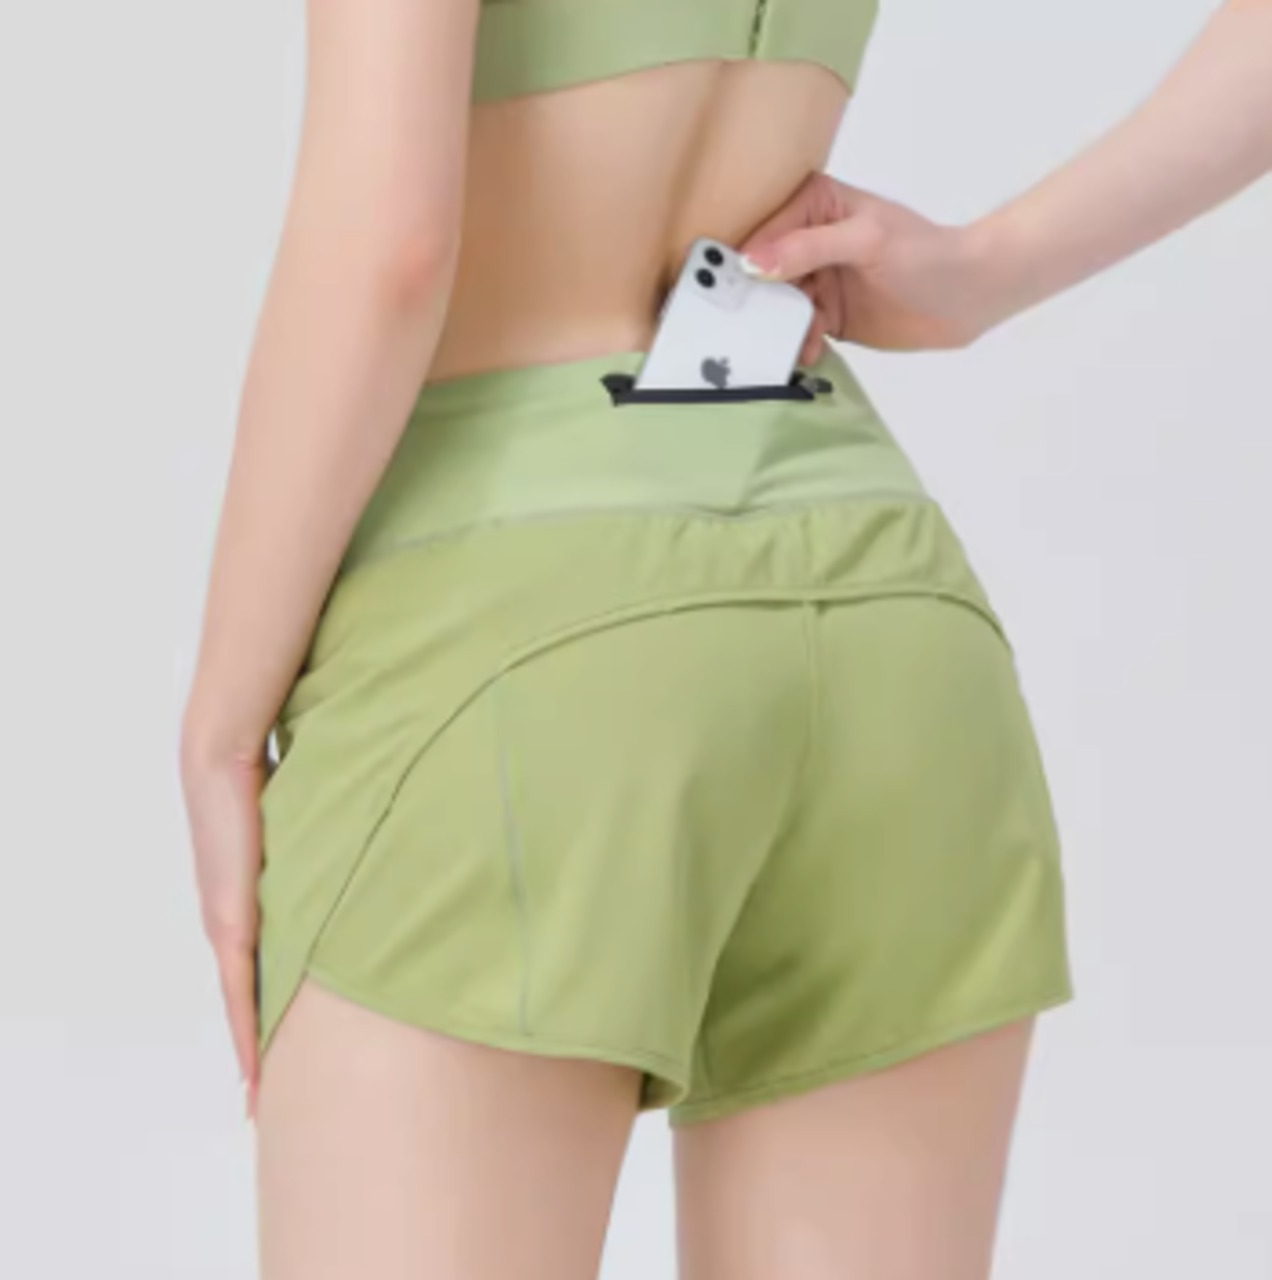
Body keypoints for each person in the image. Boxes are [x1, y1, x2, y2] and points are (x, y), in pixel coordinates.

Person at [178, 0, 1272, 1276]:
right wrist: (987, 266)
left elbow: (393, 247)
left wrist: (221, 721)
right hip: (893, 619)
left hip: (509, 649)